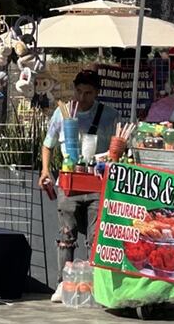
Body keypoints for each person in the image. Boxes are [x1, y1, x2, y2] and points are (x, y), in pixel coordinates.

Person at [39, 68, 119, 303]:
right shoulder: (62, 113)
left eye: (89, 93)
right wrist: (45, 170)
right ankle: (63, 283)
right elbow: (48, 144)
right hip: (69, 181)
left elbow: (118, 148)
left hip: (97, 183)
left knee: (95, 237)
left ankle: (95, 284)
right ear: (74, 89)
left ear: (97, 93)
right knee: (66, 233)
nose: (82, 97)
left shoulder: (109, 115)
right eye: (79, 91)